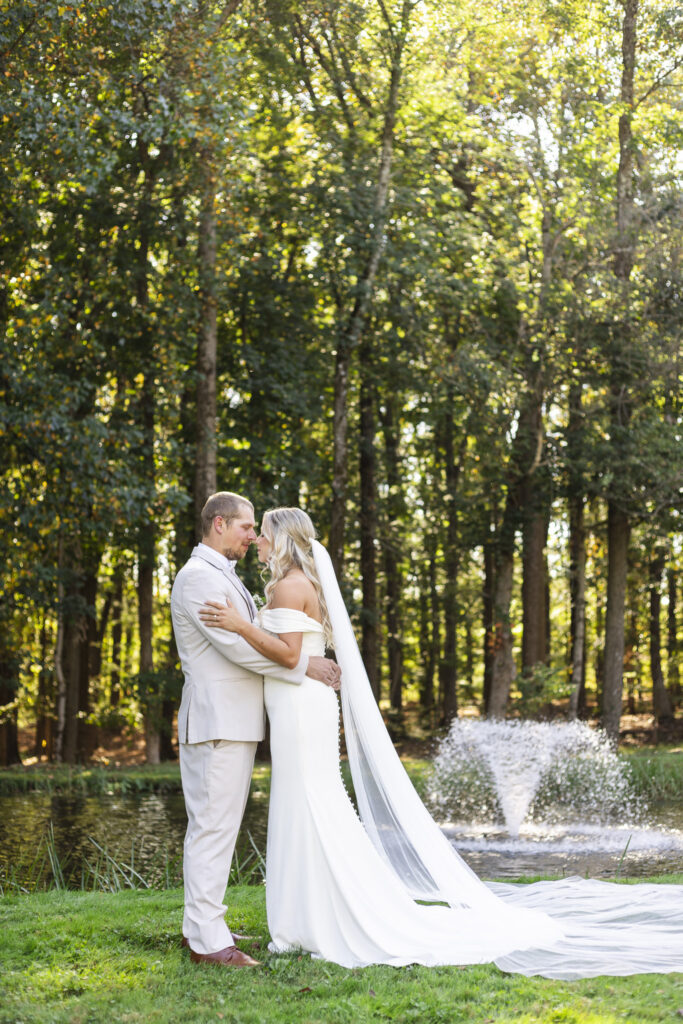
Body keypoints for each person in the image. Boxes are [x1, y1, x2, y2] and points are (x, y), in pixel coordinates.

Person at [201, 506, 683, 978]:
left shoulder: (289, 585)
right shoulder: (301, 583)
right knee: (311, 801)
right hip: (300, 706)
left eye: (262, 532)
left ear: (282, 538)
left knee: (310, 801)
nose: (258, 541)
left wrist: (240, 624)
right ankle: (312, 913)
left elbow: (288, 656)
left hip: (300, 706)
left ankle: (316, 919)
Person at [170, 492, 341, 969]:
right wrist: (303, 664)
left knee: (217, 828)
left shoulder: (221, 574)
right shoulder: (199, 578)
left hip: (235, 719)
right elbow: (237, 648)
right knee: (212, 829)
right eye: (246, 527)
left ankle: (203, 924)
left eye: (256, 529)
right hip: (217, 720)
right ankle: (208, 943)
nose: (253, 536)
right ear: (219, 524)